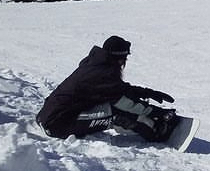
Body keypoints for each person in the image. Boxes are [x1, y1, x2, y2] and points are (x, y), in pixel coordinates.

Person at [36, 35, 178, 143]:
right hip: (57, 124)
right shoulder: (102, 73)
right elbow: (122, 101)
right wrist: (157, 112)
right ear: (118, 58)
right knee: (118, 115)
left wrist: (147, 92)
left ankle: (151, 123)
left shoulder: (97, 65)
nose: (125, 62)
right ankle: (155, 132)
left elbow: (119, 89)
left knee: (113, 108)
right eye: (124, 58)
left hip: (50, 116)